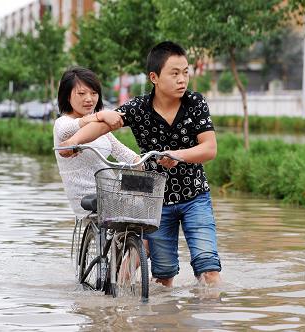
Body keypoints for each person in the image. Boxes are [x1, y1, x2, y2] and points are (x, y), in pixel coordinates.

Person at [58, 41, 222, 287]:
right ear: (154, 77)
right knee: (164, 276)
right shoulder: (139, 108)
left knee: (208, 268)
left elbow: (209, 148)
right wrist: (73, 144)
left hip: (195, 197)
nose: (182, 80)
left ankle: (210, 317)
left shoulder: (195, 103)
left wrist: (178, 155)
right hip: (157, 202)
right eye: (174, 73)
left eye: (186, 72)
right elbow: (105, 126)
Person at [53, 66, 138, 218]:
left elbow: (121, 151)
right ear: (67, 96)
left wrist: (145, 162)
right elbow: (65, 130)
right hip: (86, 198)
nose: (89, 99)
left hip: (111, 190)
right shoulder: (62, 122)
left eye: (94, 93)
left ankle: (139, 242)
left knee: (150, 189)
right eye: (81, 93)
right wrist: (100, 115)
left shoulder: (98, 127)